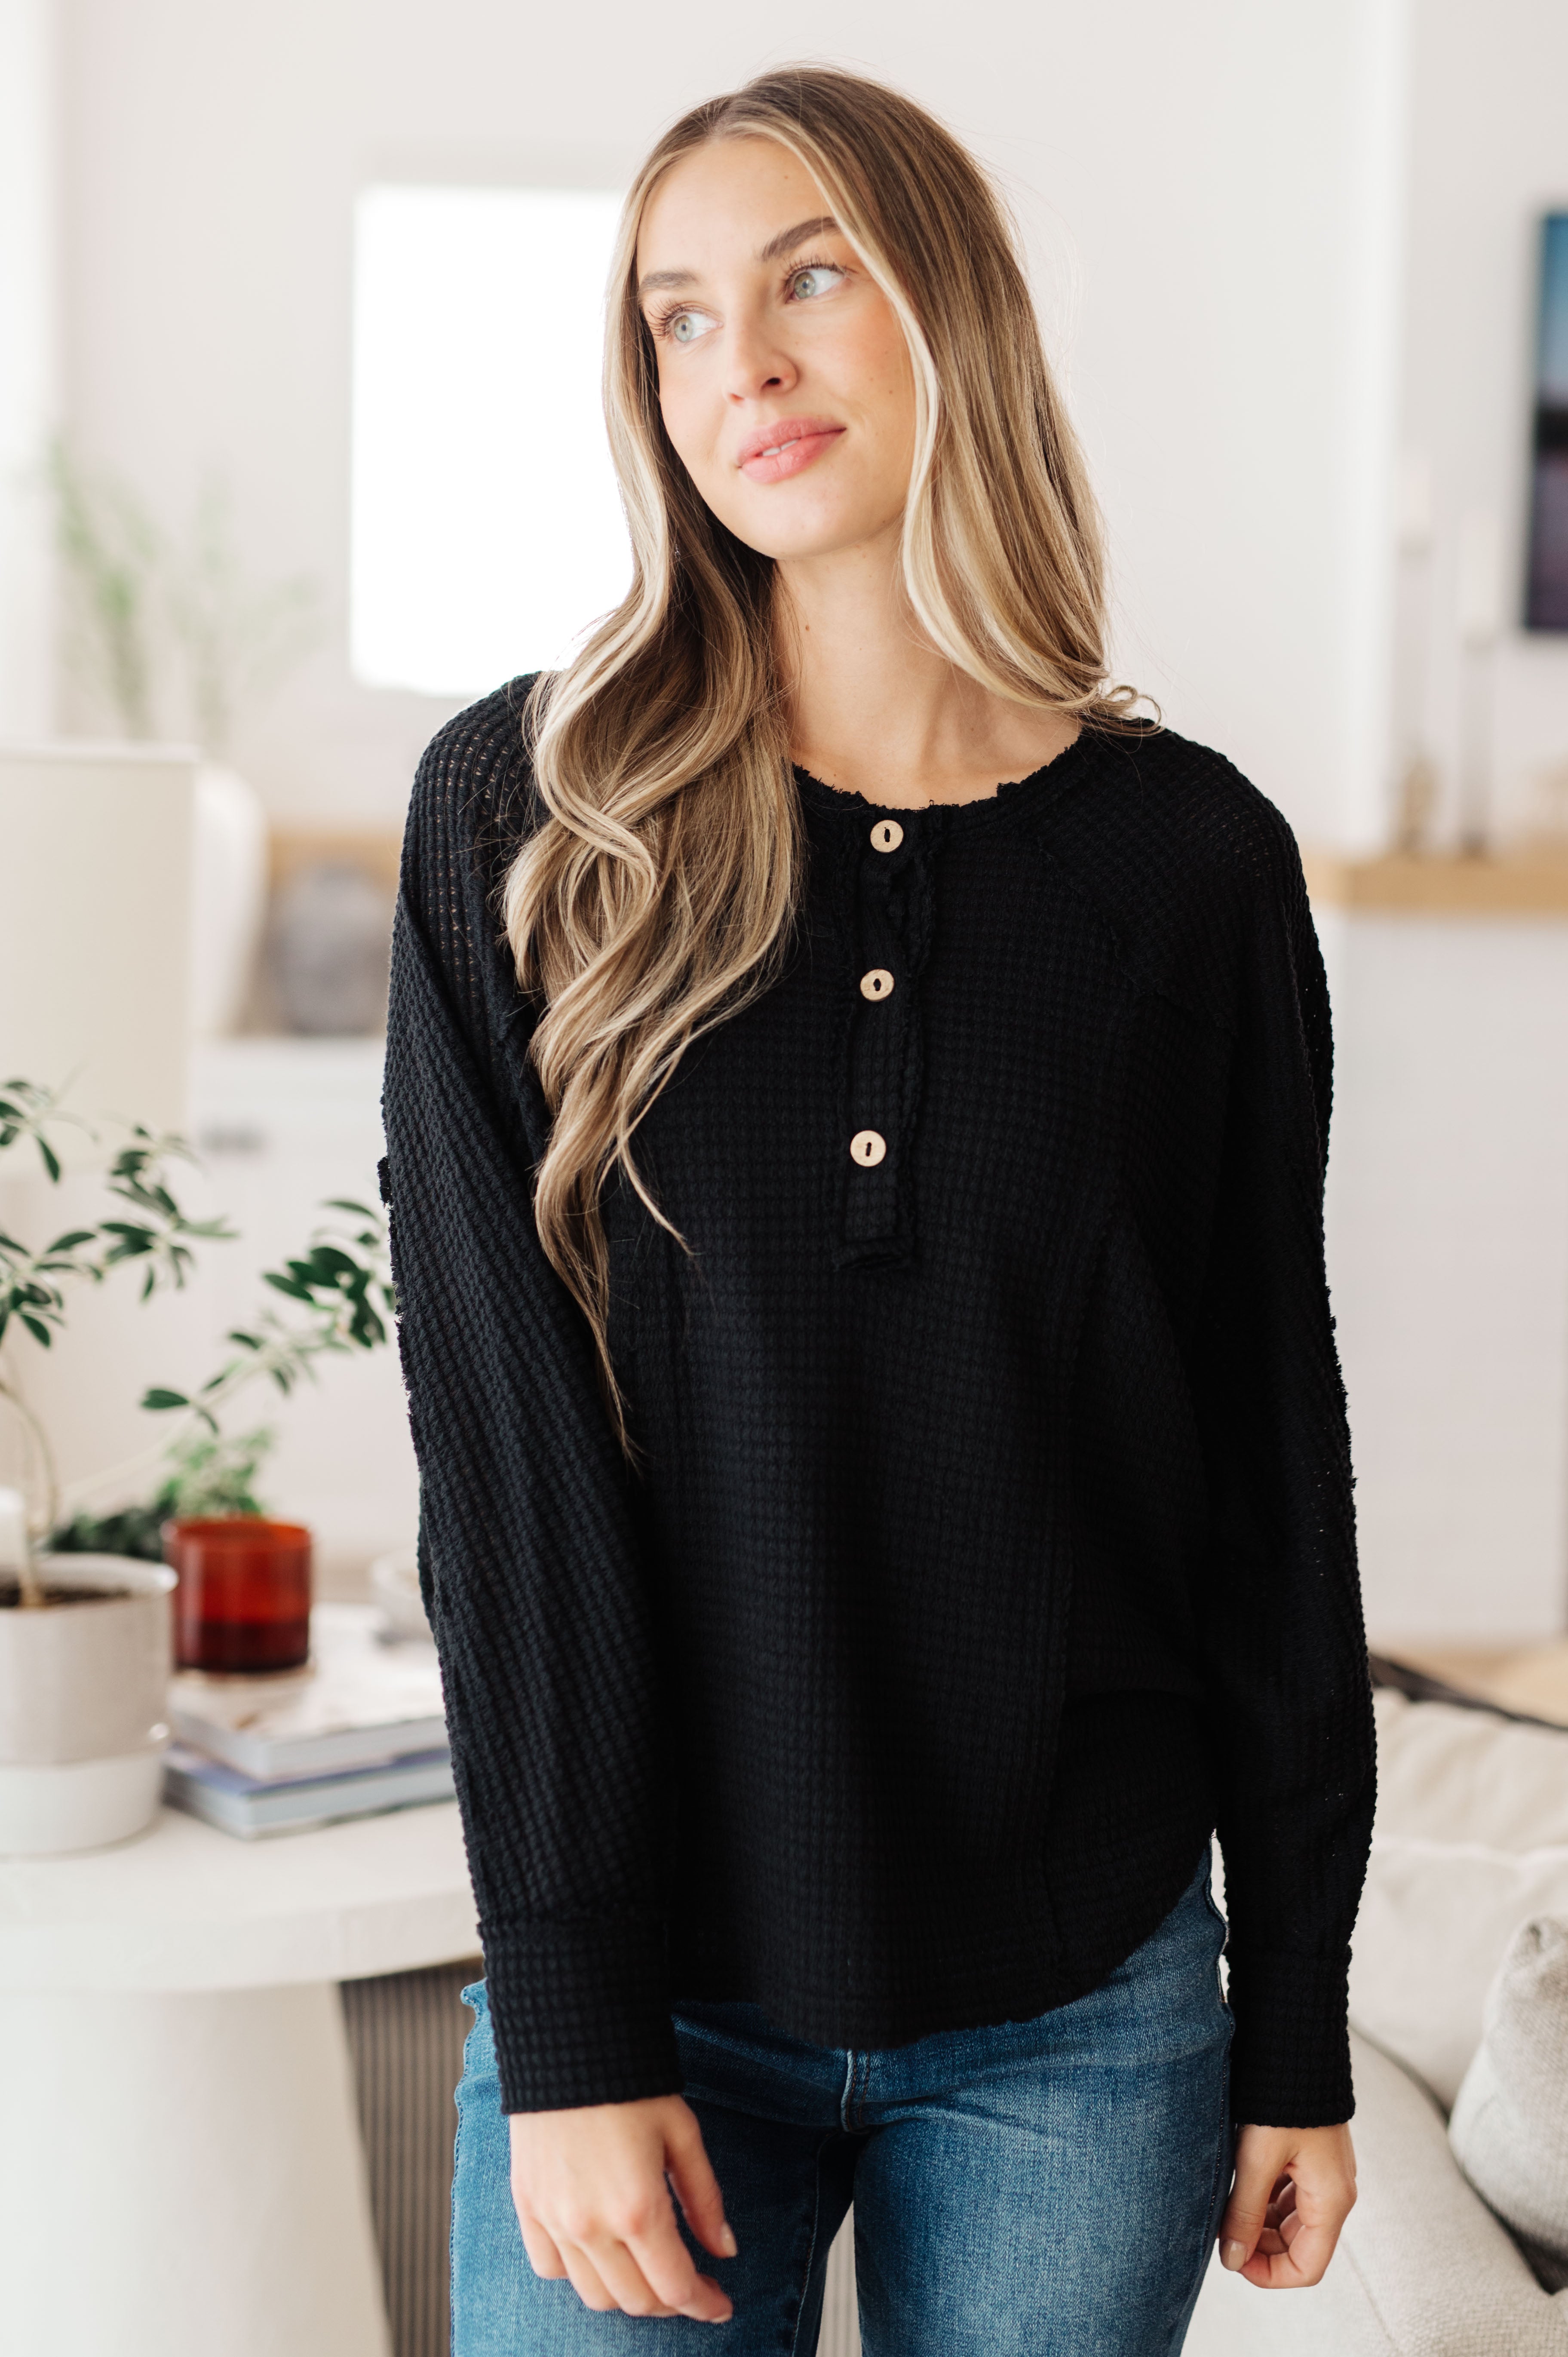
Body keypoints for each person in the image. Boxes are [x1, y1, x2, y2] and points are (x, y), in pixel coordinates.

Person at [382, 63, 1376, 2357]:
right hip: (660, 1996)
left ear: (956, 311)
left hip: (1085, 2009)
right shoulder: (529, 823)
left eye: (810, 273)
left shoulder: (1192, 868)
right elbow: (509, 1469)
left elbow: (1266, 1457)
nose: (743, 355)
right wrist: (573, 2017)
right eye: (680, 314)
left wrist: (1300, 2002)